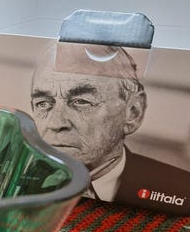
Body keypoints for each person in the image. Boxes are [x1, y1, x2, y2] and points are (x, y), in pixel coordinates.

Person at [30, 43, 190, 215]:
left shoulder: (179, 187)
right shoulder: (14, 175)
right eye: (43, 103)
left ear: (132, 112)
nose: (55, 123)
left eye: (82, 101)